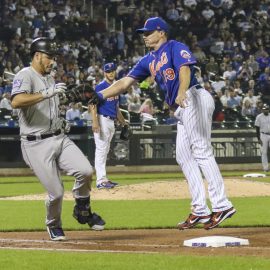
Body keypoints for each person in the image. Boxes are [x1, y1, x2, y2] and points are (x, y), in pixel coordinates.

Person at [90, 17, 236, 230]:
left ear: (161, 32)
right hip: (182, 106)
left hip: (193, 97)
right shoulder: (148, 59)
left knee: (201, 150)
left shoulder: (174, 46)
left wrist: (182, 90)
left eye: (148, 32)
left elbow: (185, 69)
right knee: (183, 156)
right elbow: (123, 83)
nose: (144, 36)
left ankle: (222, 205)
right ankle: (200, 210)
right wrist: (96, 95)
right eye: (143, 33)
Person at [11, 37, 105, 241]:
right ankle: (53, 224)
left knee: (86, 171)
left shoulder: (49, 78)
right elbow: (17, 101)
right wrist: (46, 93)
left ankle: (83, 210)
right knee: (57, 192)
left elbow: (51, 103)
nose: (52, 61)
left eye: (53, 57)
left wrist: (68, 104)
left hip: (59, 137)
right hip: (35, 143)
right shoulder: (25, 75)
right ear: (37, 56)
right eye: (49, 57)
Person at [90, 62, 127, 189]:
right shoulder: (101, 86)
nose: (110, 73)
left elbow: (116, 108)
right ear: (104, 73)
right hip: (102, 119)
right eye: (108, 71)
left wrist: (123, 123)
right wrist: (95, 121)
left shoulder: (116, 87)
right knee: (101, 150)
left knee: (105, 150)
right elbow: (92, 104)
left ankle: (104, 178)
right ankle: (100, 181)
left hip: (111, 121)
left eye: (112, 71)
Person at [255, 104, 270, 172]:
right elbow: (257, 128)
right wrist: (258, 138)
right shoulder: (259, 117)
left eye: (267, 109)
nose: (265, 110)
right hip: (263, 135)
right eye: (264, 109)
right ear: (262, 110)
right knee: (264, 152)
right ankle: (265, 168)